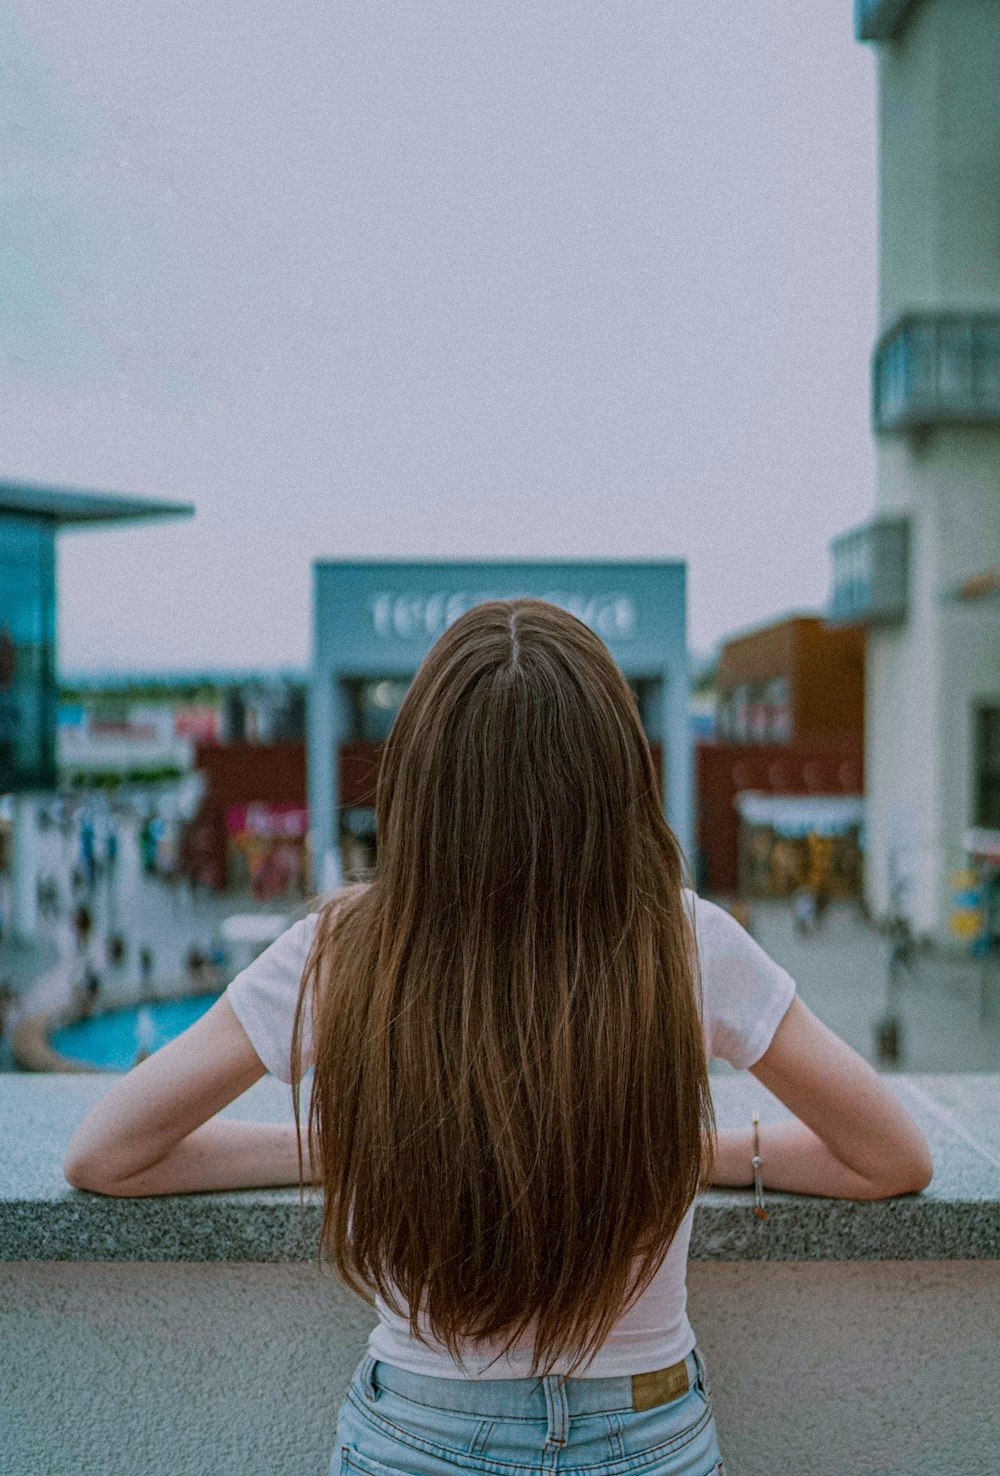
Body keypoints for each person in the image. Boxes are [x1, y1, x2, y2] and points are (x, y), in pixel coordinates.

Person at [62, 600, 933, 1476]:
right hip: (647, 1435)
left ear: (421, 779)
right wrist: (674, 1153)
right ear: (618, 777)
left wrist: (349, 1150)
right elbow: (891, 1157)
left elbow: (107, 1153)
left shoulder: (348, 948)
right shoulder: (684, 941)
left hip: (414, 1437)